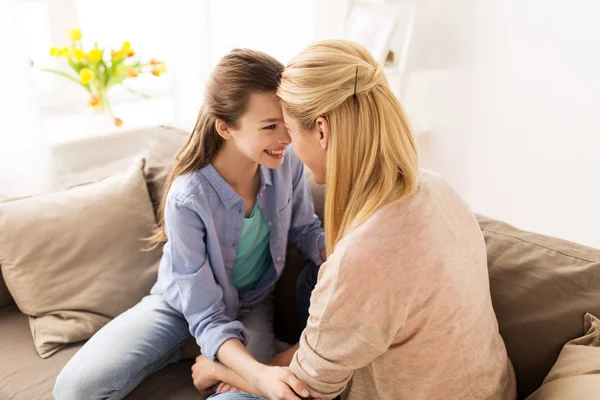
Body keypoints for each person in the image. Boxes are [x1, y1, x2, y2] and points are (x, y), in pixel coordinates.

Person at [53, 48, 325, 400]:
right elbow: (206, 314)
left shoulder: (284, 164)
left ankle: (202, 355)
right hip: (180, 307)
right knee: (75, 389)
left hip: (251, 305)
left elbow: (305, 229)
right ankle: (184, 347)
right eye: (270, 127)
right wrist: (256, 373)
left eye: (286, 122)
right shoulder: (188, 197)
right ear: (226, 128)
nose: (286, 139)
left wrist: (343, 258)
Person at [275, 39, 518, 400]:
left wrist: (233, 368)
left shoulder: (362, 255)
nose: (290, 148)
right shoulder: (437, 188)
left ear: (322, 132)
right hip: (496, 391)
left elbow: (304, 390)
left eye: (291, 133)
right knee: (310, 278)